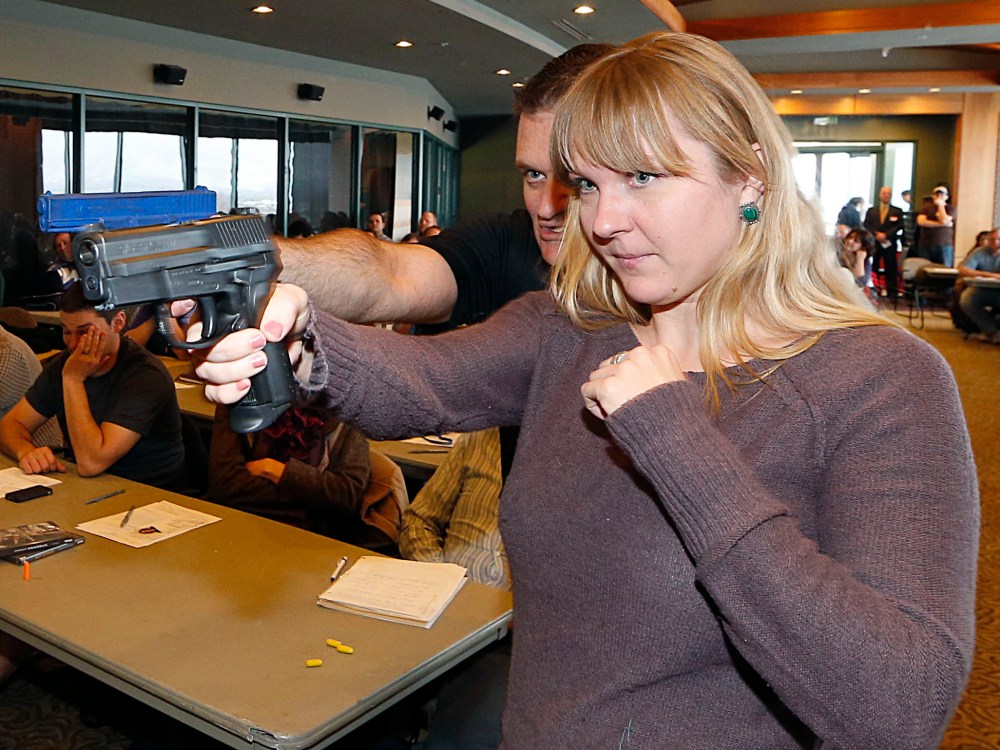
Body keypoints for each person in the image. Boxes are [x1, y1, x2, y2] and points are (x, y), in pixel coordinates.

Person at [188, 32, 978, 749]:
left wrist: (672, 435)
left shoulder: (880, 379)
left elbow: (899, 707)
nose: (603, 221)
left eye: (643, 177)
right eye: (589, 186)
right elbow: (423, 384)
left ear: (751, 180)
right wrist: (298, 339)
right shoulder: (570, 327)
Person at [0, 283, 184, 489]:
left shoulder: (146, 377)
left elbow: (91, 463)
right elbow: (10, 425)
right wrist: (25, 451)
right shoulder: (67, 363)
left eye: (85, 332)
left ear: (118, 322)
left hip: (149, 494)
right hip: (86, 488)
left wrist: (72, 380)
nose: (72, 344)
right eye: (66, 331)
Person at [207, 403, 403, 552]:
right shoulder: (238, 396)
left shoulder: (346, 407)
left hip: (311, 546)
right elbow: (226, 485)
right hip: (239, 533)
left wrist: (278, 472)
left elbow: (346, 496)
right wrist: (312, 497)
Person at [399, 428, 508, 589]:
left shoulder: (556, 461)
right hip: (443, 587)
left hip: (515, 605)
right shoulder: (477, 439)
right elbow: (418, 521)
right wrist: (438, 575)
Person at [957, 226, 1000, 343]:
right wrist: (990, 275)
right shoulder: (980, 252)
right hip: (983, 289)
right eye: (992, 239)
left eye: (998, 239)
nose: (995, 243)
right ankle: (991, 330)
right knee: (967, 299)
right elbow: (963, 269)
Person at [863, 185, 904, 298]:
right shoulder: (871, 211)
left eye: (888, 193)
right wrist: (876, 234)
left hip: (889, 243)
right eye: (884, 193)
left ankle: (892, 292)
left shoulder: (897, 211)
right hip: (875, 243)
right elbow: (866, 224)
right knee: (874, 267)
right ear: (880, 195)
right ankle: (875, 290)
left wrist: (886, 234)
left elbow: (899, 226)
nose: (886, 195)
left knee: (891, 267)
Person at [916, 185, 955, 267]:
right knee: (924, 269)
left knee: (944, 270)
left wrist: (940, 205)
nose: (939, 196)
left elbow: (944, 219)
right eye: (937, 194)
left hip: (944, 245)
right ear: (933, 196)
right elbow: (921, 222)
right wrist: (942, 224)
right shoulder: (926, 207)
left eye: (942, 194)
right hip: (926, 244)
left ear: (947, 197)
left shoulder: (951, 208)